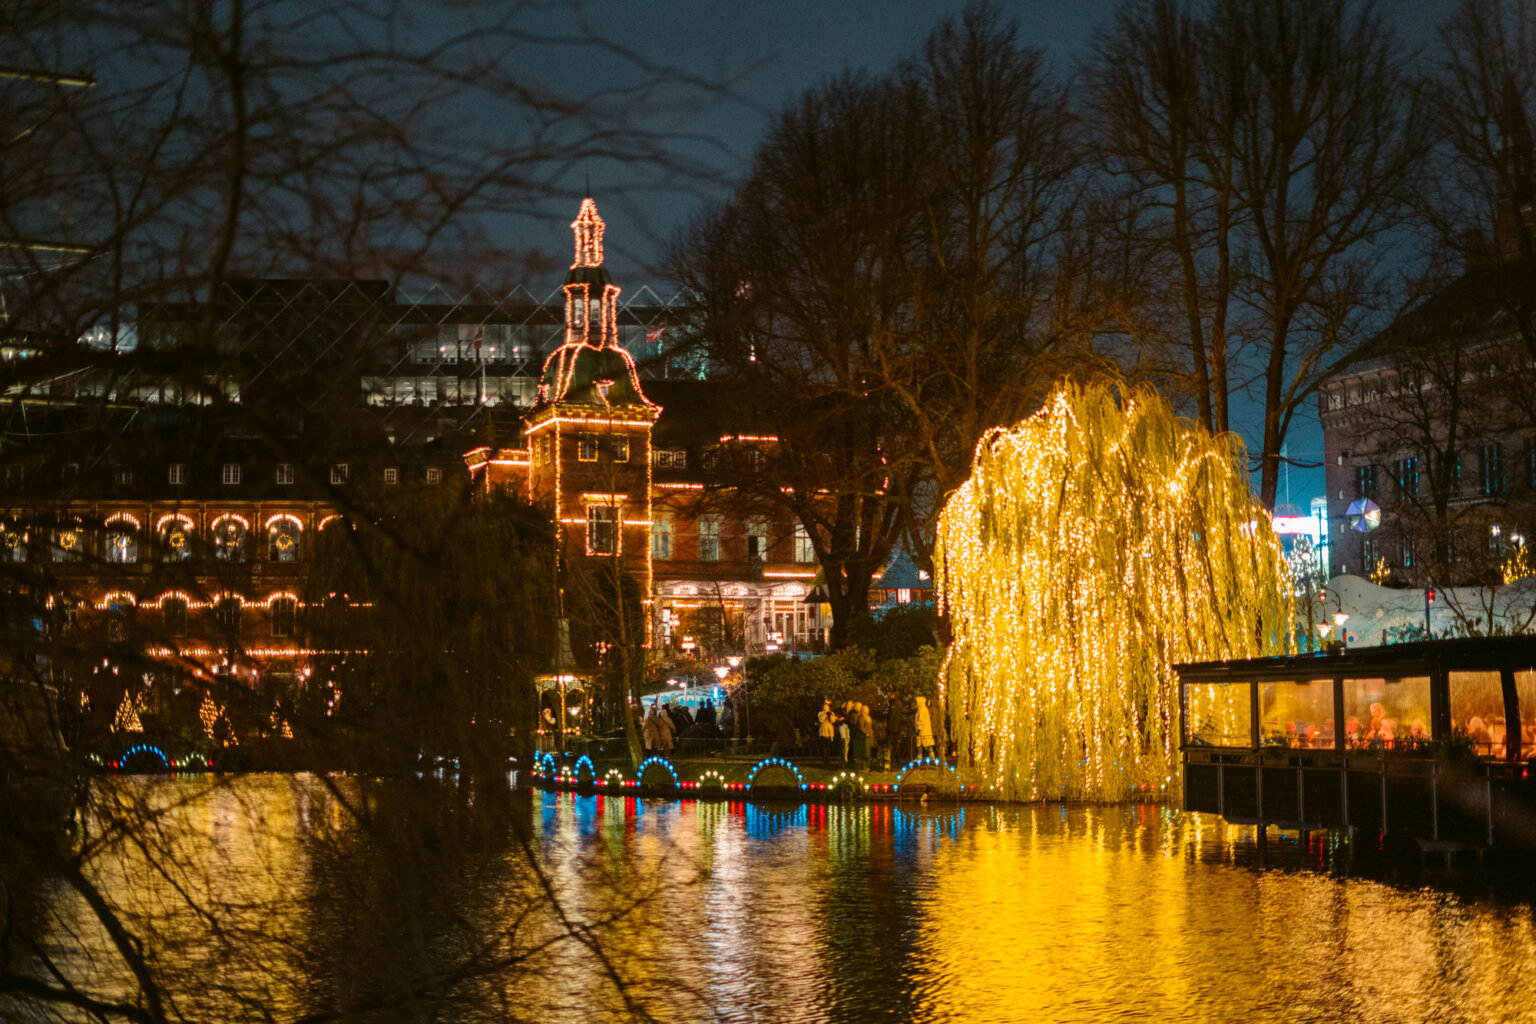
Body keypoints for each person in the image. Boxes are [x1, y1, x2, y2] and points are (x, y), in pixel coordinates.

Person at [914, 695, 936, 759]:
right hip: (922, 730)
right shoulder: (921, 708)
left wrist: (919, 728)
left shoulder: (922, 709)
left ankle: (929, 756)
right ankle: (922, 756)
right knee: (922, 743)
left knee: (925, 743)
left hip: (923, 730)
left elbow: (921, 719)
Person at [817, 700, 837, 766]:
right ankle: (824, 759)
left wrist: (830, 715)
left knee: (828, 747)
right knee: (824, 746)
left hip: (829, 732)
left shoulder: (831, 713)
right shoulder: (820, 713)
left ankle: (828, 759)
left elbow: (833, 721)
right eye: (824, 707)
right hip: (823, 731)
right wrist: (824, 713)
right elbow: (821, 720)